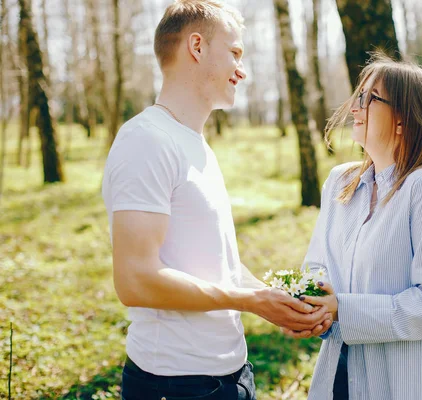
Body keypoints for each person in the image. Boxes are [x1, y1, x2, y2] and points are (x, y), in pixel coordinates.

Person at [101, 1, 332, 399]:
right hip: (174, 385)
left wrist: (276, 301)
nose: (242, 70)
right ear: (197, 46)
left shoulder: (196, 143)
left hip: (231, 377)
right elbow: (135, 280)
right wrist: (253, 301)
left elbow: (215, 261)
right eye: (235, 53)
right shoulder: (146, 140)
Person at [282, 53, 422, 399]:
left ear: (402, 118)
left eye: (368, 98)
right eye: (357, 95)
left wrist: (343, 308)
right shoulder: (341, 182)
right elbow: (318, 267)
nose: (355, 106)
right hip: (340, 373)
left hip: (408, 382)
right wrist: (313, 308)